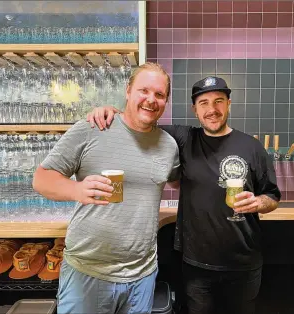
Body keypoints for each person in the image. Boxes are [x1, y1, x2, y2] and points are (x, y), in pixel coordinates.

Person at [86, 75, 281, 314]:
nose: (212, 109)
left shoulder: (251, 147)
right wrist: (110, 111)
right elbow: (139, 122)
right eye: (204, 103)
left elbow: (272, 196)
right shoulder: (184, 138)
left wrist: (259, 202)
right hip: (196, 265)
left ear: (229, 104)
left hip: (244, 263)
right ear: (194, 109)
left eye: (219, 101)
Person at [33, 62, 180, 314]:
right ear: (128, 91)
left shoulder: (169, 145)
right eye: (143, 91)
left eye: (159, 94)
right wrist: (76, 190)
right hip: (88, 272)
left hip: (142, 276)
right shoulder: (92, 128)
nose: (151, 100)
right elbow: (41, 179)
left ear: (166, 101)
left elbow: (178, 181)